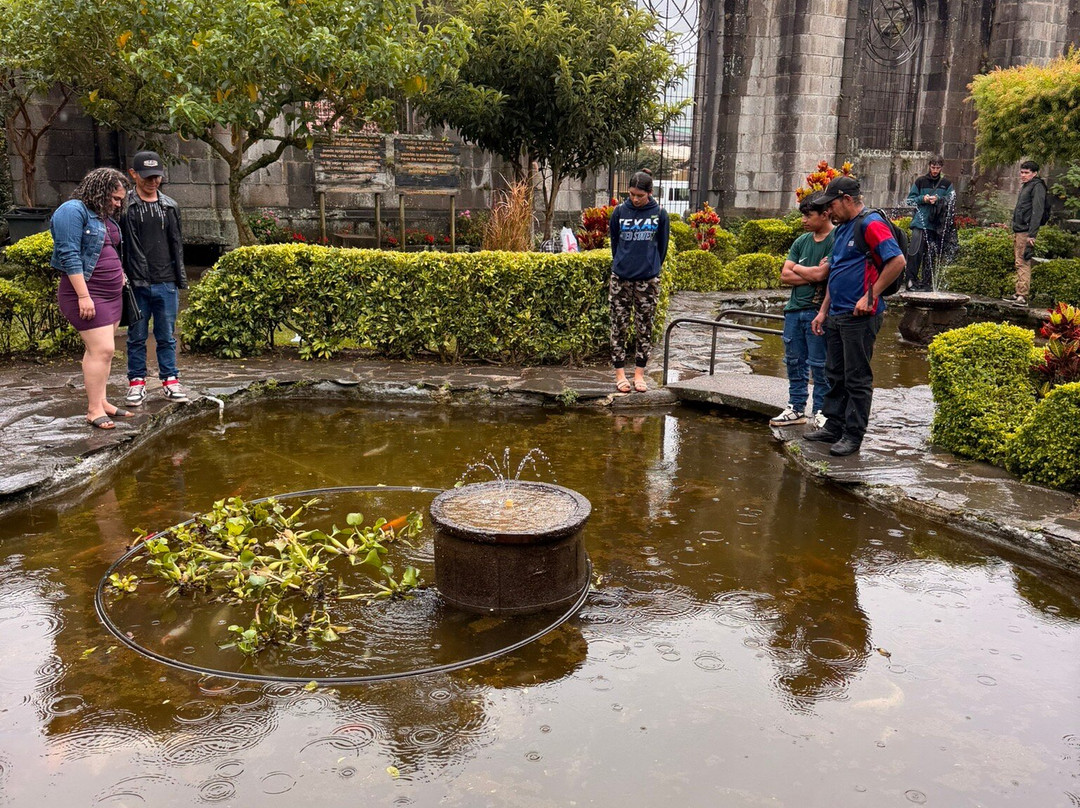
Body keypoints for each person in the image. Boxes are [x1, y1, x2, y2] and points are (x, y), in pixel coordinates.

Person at [803, 176, 906, 456]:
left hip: (860, 315)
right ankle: (833, 426)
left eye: (832, 204)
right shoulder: (842, 229)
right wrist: (823, 311)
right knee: (835, 373)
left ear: (847, 199)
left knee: (856, 377)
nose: (828, 211)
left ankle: (853, 434)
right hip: (837, 313)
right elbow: (836, 272)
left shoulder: (870, 224)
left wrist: (871, 294)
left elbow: (897, 261)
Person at [50, 167, 136, 429]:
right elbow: (68, 254)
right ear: (99, 190)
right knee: (103, 349)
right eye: (115, 198)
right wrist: (83, 296)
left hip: (111, 295)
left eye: (121, 199)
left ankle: (102, 401)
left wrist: (120, 276)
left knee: (101, 352)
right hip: (87, 293)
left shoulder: (102, 217)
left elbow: (109, 250)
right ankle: (93, 410)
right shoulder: (72, 211)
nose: (118, 204)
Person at [121, 150, 189, 406]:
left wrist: (179, 278)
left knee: (166, 336)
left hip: (166, 281)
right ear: (133, 174)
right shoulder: (125, 207)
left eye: (157, 176)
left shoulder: (170, 206)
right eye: (147, 176)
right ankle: (136, 382)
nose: (153, 181)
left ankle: (170, 380)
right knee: (136, 336)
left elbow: (177, 244)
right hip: (137, 282)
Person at [770, 193, 834, 427]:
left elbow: (823, 274)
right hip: (794, 310)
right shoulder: (801, 241)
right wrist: (811, 273)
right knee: (794, 361)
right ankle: (796, 408)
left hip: (818, 310)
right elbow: (785, 275)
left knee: (819, 364)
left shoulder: (836, 238)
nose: (803, 220)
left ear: (825, 214)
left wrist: (799, 269)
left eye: (808, 215)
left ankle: (821, 411)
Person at [608, 170, 670, 393]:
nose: (635, 199)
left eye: (640, 195)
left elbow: (662, 247)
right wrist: (623, 264)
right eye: (632, 194)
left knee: (644, 327)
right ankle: (620, 373)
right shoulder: (619, 212)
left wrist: (650, 267)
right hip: (621, 279)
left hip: (647, 281)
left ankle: (639, 374)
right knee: (618, 326)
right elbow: (615, 243)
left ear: (650, 193)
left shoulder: (660, 214)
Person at [904, 156, 954, 291]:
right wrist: (923, 199)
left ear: (941, 168)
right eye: (933, 167)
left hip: (937, 225)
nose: (935, 170)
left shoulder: (946, 184)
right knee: (915, 253)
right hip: (920, 223)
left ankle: (927, 284)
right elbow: (909, 200)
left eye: (938, 168)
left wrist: (938, 199)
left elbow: (951, 200)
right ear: (929, 166)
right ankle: (910, 281)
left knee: (931, 255)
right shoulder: (921, 181)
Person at [1009, 160, 1048, 307]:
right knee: (1019, 261)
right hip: (1020, 229)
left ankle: (1022, 296)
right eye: (1022, 172)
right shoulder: (1027, 186)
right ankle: (1019, 292)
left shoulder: (1037, 187)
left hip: (1026, 230)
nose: (1023, 175)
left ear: (1034, 173)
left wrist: (1032, 234)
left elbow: (1037, 211)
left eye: (1027, 173)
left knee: (1023, 261)